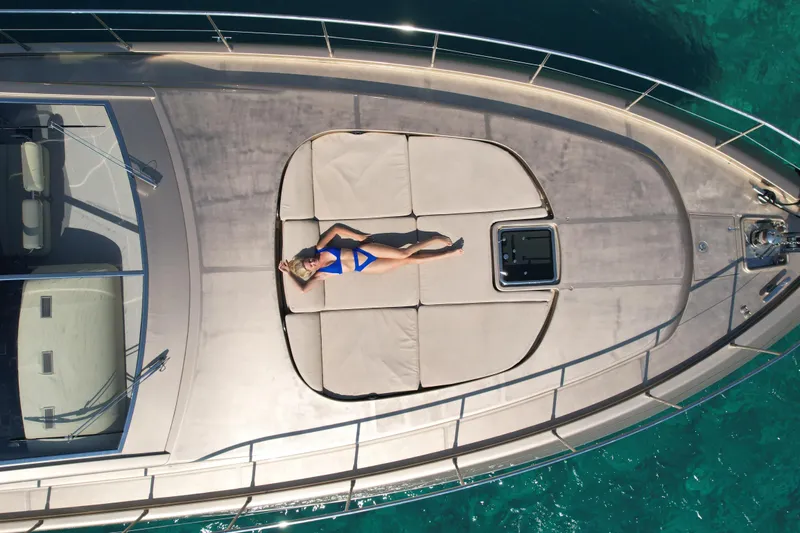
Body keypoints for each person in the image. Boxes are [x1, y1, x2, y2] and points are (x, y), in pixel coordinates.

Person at [279, 223, 463, 293]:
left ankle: (434, 239)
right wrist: (289, 274)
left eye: (308, 261)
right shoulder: (321, 275)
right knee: (407, 261)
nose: (312, 262)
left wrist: (357, 236)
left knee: (404, 253)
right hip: (367, 267)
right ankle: (446, 254)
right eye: (310, 266)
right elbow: (303, 290)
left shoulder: (321, 249)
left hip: (365, 251)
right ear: (311, 272)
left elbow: (335, 229)